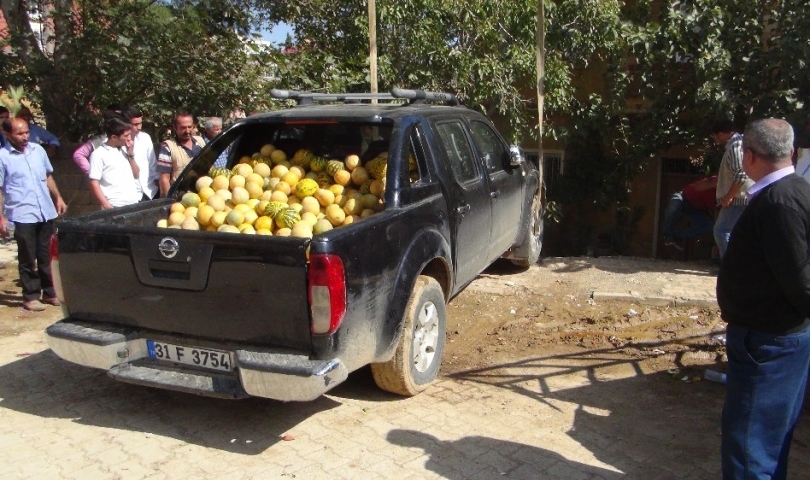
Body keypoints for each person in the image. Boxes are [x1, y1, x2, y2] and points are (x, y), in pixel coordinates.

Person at [716, 118, 810, 479]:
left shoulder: (778, 204)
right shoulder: (796, 190)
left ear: (749, 156)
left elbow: (800, 281)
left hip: (769, 345)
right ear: (790, 151)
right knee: (770, 438)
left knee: (750, 444)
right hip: (778, 338)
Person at [0, 117, 68, 311]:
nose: (24, 137)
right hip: (22, 213)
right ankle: (30, 296)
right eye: (19, 133)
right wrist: (1, 217)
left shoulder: (37, 151)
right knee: (28, 257)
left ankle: (49, 292)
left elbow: (47, 176)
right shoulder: (3, 157)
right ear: (7, 134)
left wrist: (58, 198)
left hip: (44, 210)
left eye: (26, 132)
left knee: (46, 254)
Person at [711, 119, 753, 258]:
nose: (715, 140)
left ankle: (730, 267)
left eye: (715, 136)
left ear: (721, 134)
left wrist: (728, 197)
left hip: (738, 198)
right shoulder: (742, 143)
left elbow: (741, 175)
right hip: (744, 196)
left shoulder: (735, 146)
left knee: (722, 231)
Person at [88, 116, 141, 209]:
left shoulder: (124, 151)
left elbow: (136, 175)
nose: (129, 138)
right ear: (114, 137)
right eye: (126, 136)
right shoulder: (99, 154)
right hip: (115, 205)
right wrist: (106, 205)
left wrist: (131, 155)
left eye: (129, 134)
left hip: (133, 202)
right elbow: (93, 182)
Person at [661, 175, 718, 251]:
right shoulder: (716, 179)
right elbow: (698, 187)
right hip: (683, 197)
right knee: (673, 207)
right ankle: (667, 235)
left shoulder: (724, 198)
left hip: (696, 210)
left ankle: (678, 236)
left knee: (710, 225)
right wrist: (714, 185)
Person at [157, 111, 205, 197]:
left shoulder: (200, 141)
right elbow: (164, 179)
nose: (187, 131)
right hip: (181, 198)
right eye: (183, 128)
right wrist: (168, 201)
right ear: (175, 128)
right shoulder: (168, 146)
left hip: (204, 193)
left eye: (189, 127)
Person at [121, 106, 158, 200]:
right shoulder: (115, 144)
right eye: (135, 124)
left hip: (150, 191)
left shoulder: (145, 138)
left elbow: (153, 164)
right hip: (130, 195)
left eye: (140, 123)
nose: (139, 127)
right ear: (125, 124)